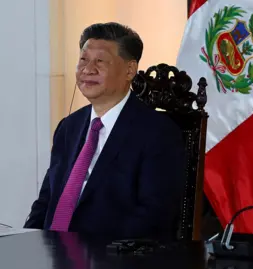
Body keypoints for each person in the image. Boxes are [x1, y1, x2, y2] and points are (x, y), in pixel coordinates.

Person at [24, 22, 186, 241]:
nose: (87, 69)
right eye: (83, 59)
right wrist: (26, 240)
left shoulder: (158, 134)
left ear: (129, 70)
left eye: (100, 61)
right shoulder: (68, 127)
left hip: (108, 257)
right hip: (50, 253)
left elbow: (155, 216)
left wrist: (92, 253)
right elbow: (47, 201)